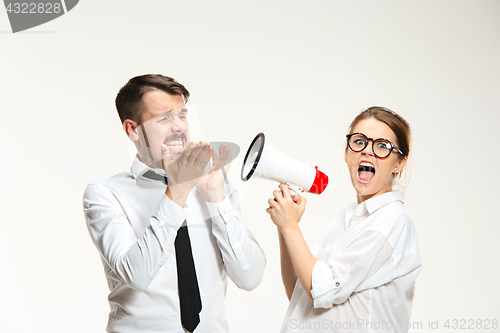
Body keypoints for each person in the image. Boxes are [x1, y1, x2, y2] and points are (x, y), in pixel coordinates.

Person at [83, 74, 266, 333]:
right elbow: (137, 274)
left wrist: (216, 195)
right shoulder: (104, 194)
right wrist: (176, 192)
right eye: (164, 118)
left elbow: (250, 277)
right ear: (132, 129)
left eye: (182, 115)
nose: (178, 127)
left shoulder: (215, 185)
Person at [266, 107, 422, 332]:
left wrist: (291, 227)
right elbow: (298, 293)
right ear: (347, 155)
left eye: (382, 146)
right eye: (359, 142)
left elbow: (321, 289)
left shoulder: (392, 220)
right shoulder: (345, 219)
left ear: (399, 163)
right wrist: (285, 226)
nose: (367, 151)